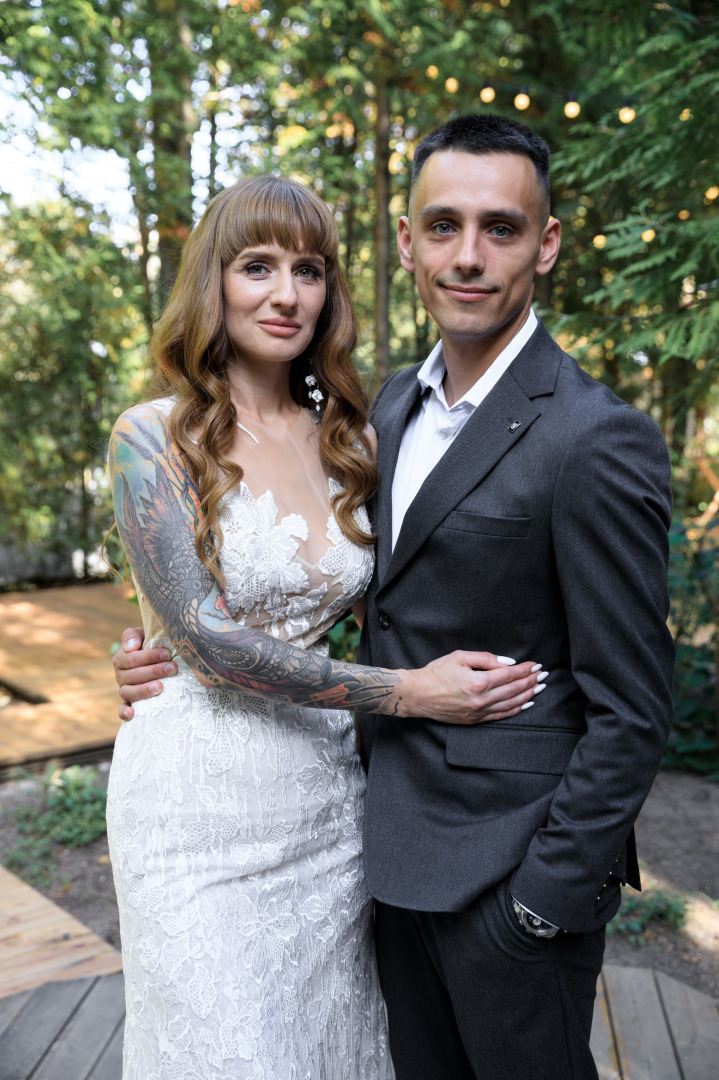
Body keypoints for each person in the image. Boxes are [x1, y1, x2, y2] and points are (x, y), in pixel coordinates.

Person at [114, 115, 675, 1079]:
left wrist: (544, 898)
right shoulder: (379, 415)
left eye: (500, 228)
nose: (469, 256)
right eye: (443, 226)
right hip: (351, 843)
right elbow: (304, 615)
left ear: (544, 245)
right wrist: (152, 653)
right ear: (407, 244)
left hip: (501, 874)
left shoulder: (586, 435)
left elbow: (633, 701)